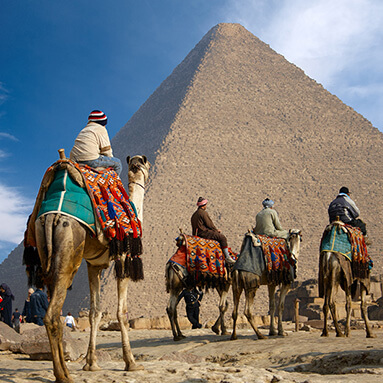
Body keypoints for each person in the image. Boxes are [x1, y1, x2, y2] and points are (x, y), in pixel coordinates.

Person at [70, 110, 122, 175]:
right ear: (103, 123)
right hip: (89, 159)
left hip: (75, 159)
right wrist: (111, 160)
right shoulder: (101, 129)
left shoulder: (84, 130)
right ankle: (113, 184)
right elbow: (106, 151)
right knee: (118, 163)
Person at [191, 197, 235, 264]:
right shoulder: (203, 213)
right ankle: (227, 257)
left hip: (197, 234)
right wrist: (216, 230)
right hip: (204, 233)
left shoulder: (194, 215)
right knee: (222, 238)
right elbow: (209, 224)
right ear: (204, 205)